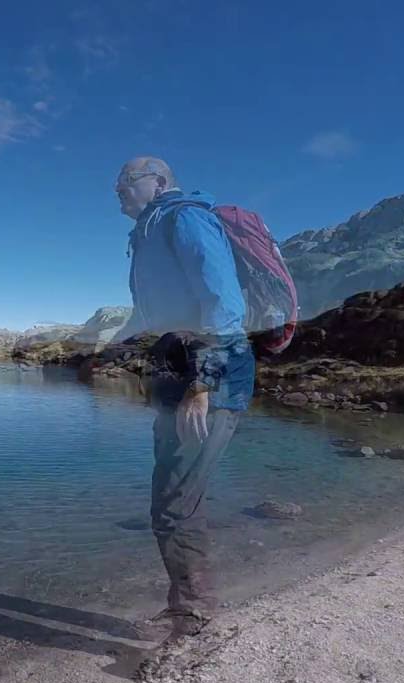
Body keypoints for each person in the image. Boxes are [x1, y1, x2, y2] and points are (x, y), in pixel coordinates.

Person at [113, 156, 255, 641]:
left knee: (175, 501)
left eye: (126, 182)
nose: (118, 192)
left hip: (208, 378)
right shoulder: (149, 232)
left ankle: (193, 617)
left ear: (159, 182)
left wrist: (202, 384)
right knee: (176, 497)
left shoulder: (186, 218)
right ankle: (188, 606)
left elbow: (224, 305)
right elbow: (153, 314)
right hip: (178, 376)